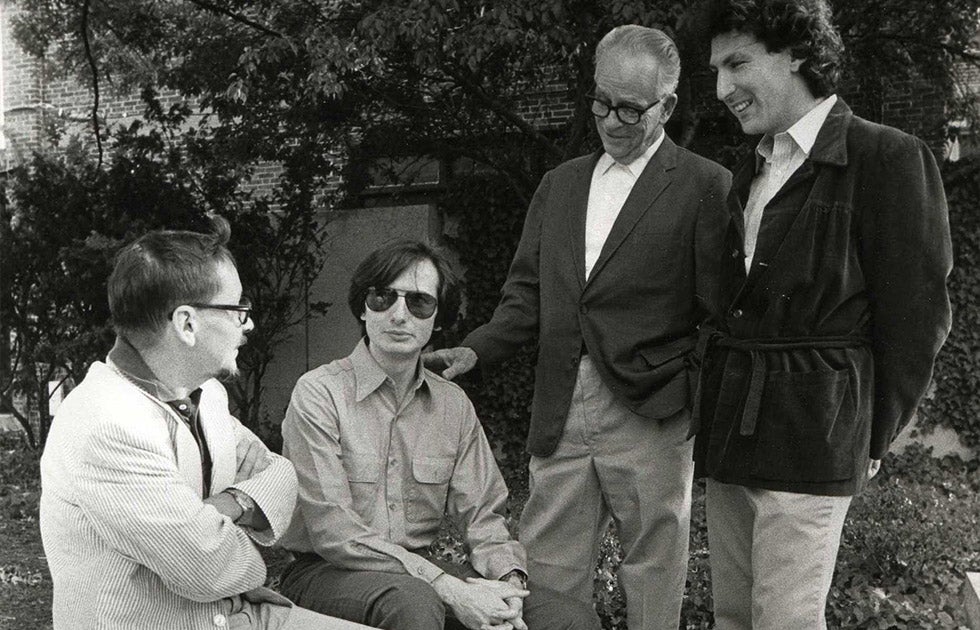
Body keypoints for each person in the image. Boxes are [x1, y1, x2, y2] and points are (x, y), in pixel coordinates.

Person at [425, 26, 731, 630]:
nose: (611, 121)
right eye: (600, 102)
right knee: (548, 569)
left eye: (630, 109)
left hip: (654, 410)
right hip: (560, 402)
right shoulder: (560, 185)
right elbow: (527, 296)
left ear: (667, 106)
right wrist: (474, 350)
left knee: (653, 564)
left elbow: (718, 316)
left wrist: (688, 395)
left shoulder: (705, 185)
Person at [693, 1, 953, 627]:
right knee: (732, 616)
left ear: (799, 54)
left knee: (784, 619)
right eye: (716, 70)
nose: (723, 88)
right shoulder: (749, 168)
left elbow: (918, 318)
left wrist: (871, 433)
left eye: (738, 64)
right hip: (732, 426)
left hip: (815, 427)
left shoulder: (885, 158)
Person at [40, 217, 367, 630]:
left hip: (240, 616)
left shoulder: (203, 393)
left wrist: (227, 506)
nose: (247, 323)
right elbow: (210, 567)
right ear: (187, 324)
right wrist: (235, 524)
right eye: (237, 309)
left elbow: (281, 475)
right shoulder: (106, 425)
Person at [277, 239, 600, 630]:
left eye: (419, 303)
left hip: (420, 576)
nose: (399, 315)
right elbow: (334, 532)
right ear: (363, 308)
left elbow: (483, 515)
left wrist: (508, 585)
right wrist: (449, 588)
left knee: (569, 619)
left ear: (439, 319)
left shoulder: (452, 405)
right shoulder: (319, 393)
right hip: (325, 572)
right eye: (383, 297)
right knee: (414, 602)